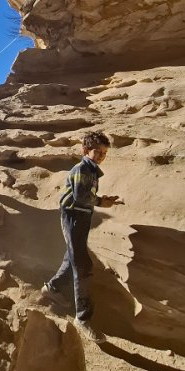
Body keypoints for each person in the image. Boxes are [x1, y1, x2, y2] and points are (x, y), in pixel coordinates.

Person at [41, 131, 123, 344]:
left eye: (104, 153)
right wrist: (100, 202)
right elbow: (80, 196)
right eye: (98, 152)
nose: (101, 156)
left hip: (81, 216)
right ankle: (83, 319)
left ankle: (52, 288)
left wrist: (102, 200)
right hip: (73, 217)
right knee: (82, 265)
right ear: (85, 150)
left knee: (72, 257)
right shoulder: (82, 168)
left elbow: (86, 195)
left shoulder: (91, 170)